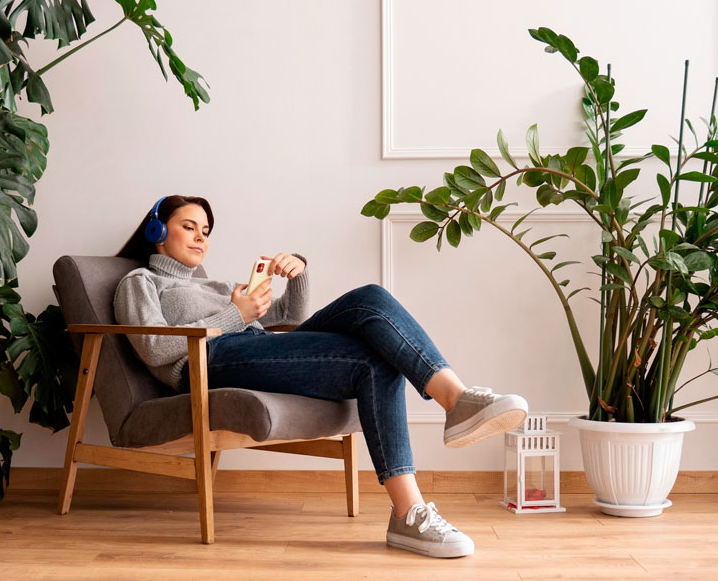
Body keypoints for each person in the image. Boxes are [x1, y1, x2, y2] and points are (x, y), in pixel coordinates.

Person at [112, 195, 529, 559]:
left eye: (206, 229)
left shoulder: (221, 284)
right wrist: (235, 315)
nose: (201, 236)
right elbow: (155, 346)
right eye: (189, 226)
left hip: (252, 348)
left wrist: (297, 274)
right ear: (156, 230)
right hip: (209, 364)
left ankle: (445, 424)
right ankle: (417, 494)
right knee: (373, 354)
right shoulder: (140, 282)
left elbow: (290, 320)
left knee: (371, 300)